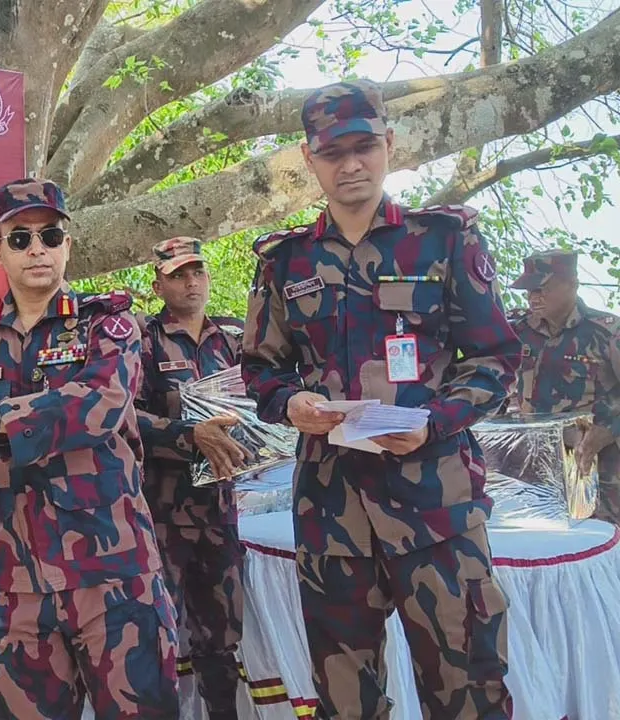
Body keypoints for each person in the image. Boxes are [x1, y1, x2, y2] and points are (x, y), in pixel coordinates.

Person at [240, 80, 520, 719]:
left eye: (365, 147)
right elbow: (260, 370)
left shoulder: (444, 241)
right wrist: (292, 406)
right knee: (346, 703)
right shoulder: (286, 261)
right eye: (333, 153)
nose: (352, 164)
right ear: (310, 160)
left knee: (469, 691)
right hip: (332, 516)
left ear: (390, 145)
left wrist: (434, 421)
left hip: (436, 509)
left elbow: (496, 359)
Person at [0, 179, 178, 720]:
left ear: (67, 245)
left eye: (50, 235)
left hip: (113, 576)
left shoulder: (109, 323)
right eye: (20, 238)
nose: (37, 249)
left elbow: (100, 403)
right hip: (14, 586)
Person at [133, 237, 248, 720]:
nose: (191, 282)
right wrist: (187, 436)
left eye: (197, 271)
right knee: (157, 639)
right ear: (158, 283)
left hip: (221, 510)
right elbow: (124, 416)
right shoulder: (142, 340)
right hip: (164, 516)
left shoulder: (234, 338)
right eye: (178, 274)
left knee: (222, 641)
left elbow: (262, 404)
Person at [507, 248, 620, 525]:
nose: (533, 297)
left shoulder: (606, 332)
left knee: (600, 546)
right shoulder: (516, 332)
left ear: (572, 283)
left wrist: (608, 428)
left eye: (542, 288)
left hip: (595, 468)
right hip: (530, 470)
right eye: (529, 289)